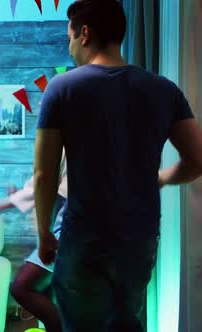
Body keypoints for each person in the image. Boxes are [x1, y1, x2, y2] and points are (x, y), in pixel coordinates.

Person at [34, 1, 202, 331]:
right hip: (139, 240)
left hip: (85, 239)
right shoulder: (164, 90)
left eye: (69, 37)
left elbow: (44, 173)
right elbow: (197, 160)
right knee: (125, 324)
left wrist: (44, 233)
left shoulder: (62, 88)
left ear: (84, 34)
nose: (69, 48)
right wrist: (163, 178)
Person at [0, 164, 67, 332]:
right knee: (47, 291)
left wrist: (2, 204)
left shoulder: (65, 139)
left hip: (69, 233)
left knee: (21, 287)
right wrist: (16, 197)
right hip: (63, 232)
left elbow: (43, 180)